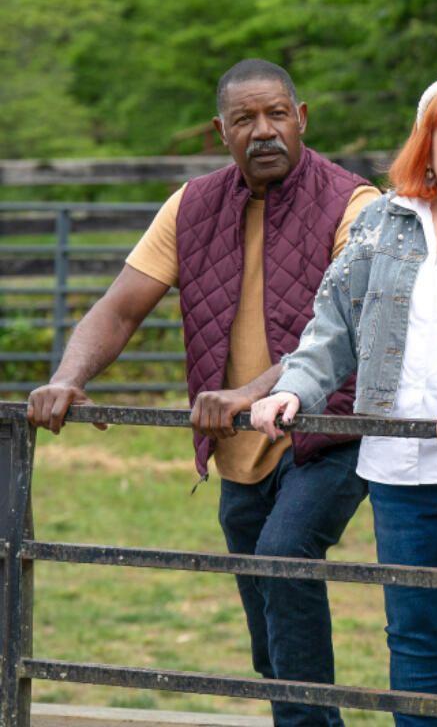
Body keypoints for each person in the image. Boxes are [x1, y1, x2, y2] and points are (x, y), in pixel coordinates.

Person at [25, 58, 380, 727]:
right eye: (245, 119)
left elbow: (343, 331)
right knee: (269, 640)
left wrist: (249, 391)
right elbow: (120, 308)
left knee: (283, 559)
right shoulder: (190, 206)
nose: (264, 130)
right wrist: (68, 377)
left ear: (302, 119)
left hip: (329, 436)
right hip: (238, 452)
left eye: (277, 114)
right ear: (222, 131)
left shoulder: (356, 203)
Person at [250, 73, 437, 727]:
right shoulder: (384, 223)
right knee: (414, 636)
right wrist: (293, 390)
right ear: (428, 145)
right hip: (399, 470)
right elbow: (331, 325)